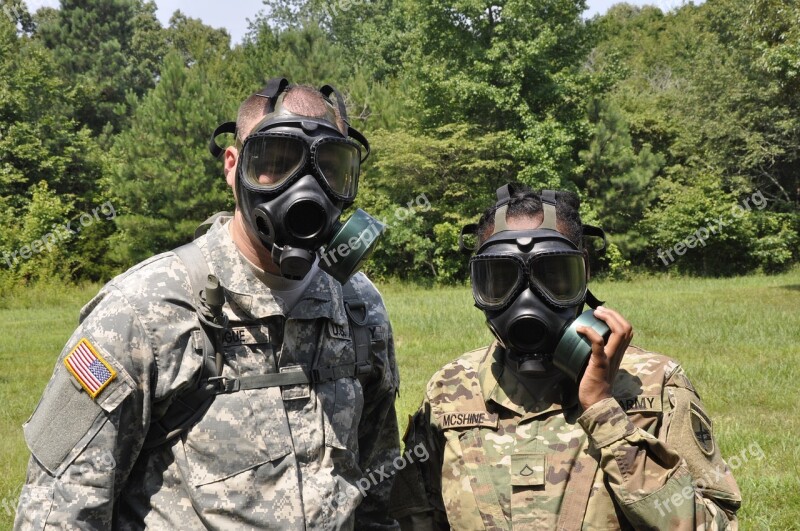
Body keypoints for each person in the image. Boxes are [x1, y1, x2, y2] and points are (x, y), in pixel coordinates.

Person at [14, 79, 400, 530]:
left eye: (330, 168)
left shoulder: (356, 308)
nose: (307, 186)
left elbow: (379, 492)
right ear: (234, 167)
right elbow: (61, 512)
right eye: (276, 163)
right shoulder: (142, 311)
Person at [390, 184, 741, 530]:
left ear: (584, 274)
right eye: (501, 279)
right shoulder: (450, 391)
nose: (526, 301)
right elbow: (418, 520)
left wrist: (605, 411)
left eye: (553, 277)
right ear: (477, 287)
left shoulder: (653, 384)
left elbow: (713, 525)